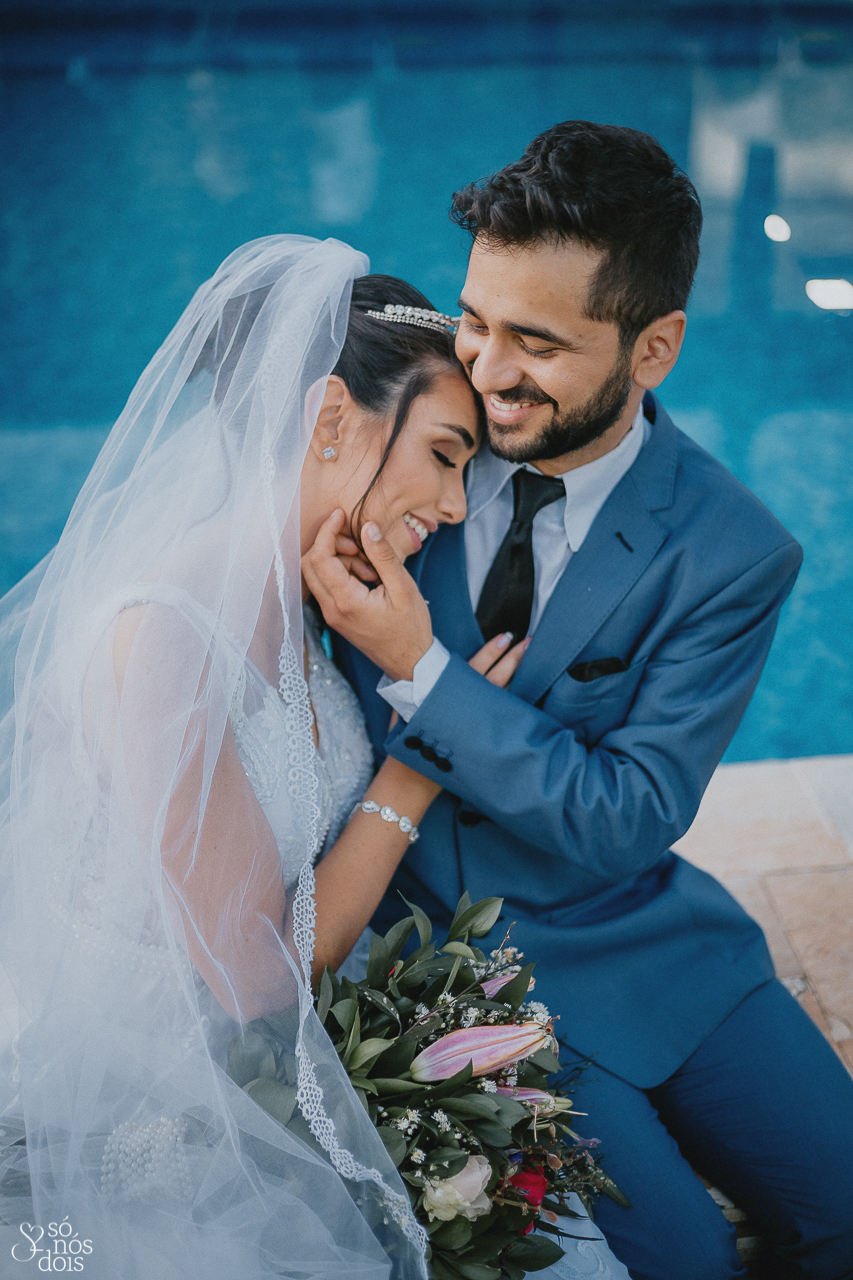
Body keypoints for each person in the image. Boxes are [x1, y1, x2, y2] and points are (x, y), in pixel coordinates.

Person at [305, 123, 853, 1280]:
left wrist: (424, 672)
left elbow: (630, 811)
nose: (485, 368)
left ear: (653, 348)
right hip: (447, 964)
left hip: (645, 938)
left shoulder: (733, 549)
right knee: (684, 1260)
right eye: (477, 320)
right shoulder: (406, 446)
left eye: (538, 342)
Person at [0, 234, 534, 1279]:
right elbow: (256, 972)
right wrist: (420, 763)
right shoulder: (162, 640)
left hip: (259, 1067)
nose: (454, 506)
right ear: (331, 418)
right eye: (444, 454)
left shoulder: (306, 598)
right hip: (151, 1117)